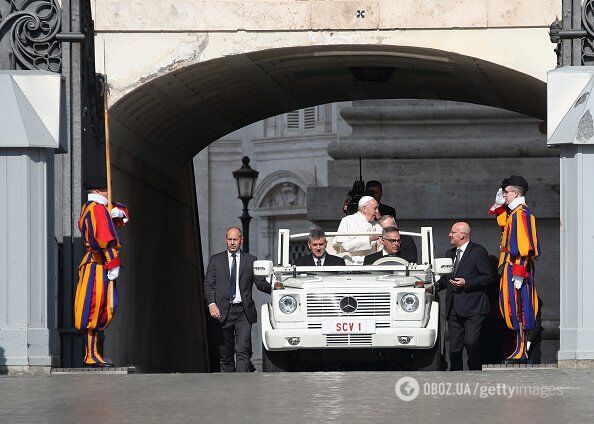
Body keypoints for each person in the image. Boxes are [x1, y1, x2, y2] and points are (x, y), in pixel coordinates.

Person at [74, 176, 129, 367]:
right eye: (105, 189)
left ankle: (94, 353)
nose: (108, 192)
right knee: (94, 309)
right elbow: (104, 239)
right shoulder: (96, 209)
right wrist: (113, 262)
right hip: (98, 265)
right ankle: (90, 354)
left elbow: (120, 213)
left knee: (101, 309)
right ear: (97, 191)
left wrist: (116, 213)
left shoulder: (94, 208)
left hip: (98, 264)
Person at [203, 227, 272, 372]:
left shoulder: (250, 260)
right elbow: (208, 284)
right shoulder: (216, 260)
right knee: (226, 355)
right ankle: (229, 388)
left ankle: (242, 385)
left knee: (243, 351)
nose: (232, 243)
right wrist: (211, 304)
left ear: (241, 240)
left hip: (243, 312)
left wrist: (277, 288)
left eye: (235, 239)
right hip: (222, 312)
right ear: (226, 240)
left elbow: (260, 284)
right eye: (230, 239)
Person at [489, 175, 539, 364]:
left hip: (518, 268)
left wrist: (519, 270)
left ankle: (522, 350)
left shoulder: (521, 214)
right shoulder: (514, 213)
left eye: (507, 192)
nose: (504, 195)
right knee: (512, 308)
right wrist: (499, 205)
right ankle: (519, 349)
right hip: (512, 266)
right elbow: (504, 226)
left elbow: (524, 246)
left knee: (520, 308)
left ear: (516, 193)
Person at [437, 222, 494, 371]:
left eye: (452, 232)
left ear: (462, 234)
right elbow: (446, 279)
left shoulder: (478, 251)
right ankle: (456, 378)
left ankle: (474, 376)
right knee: (454, 348)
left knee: (471, 343)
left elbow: (488, 277)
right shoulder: (449, 254)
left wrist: (466, 282)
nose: (449, 234)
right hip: (453, 309)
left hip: (473, 308)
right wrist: (432, 285)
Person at [334, 196, 381, 264]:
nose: (377, 211)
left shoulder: (376, 224)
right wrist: (369, 239)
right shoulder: (348, 220)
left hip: (373, 263)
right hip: (354, 262)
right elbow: (345, 246)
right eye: (375, 208)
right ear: (364, 208)